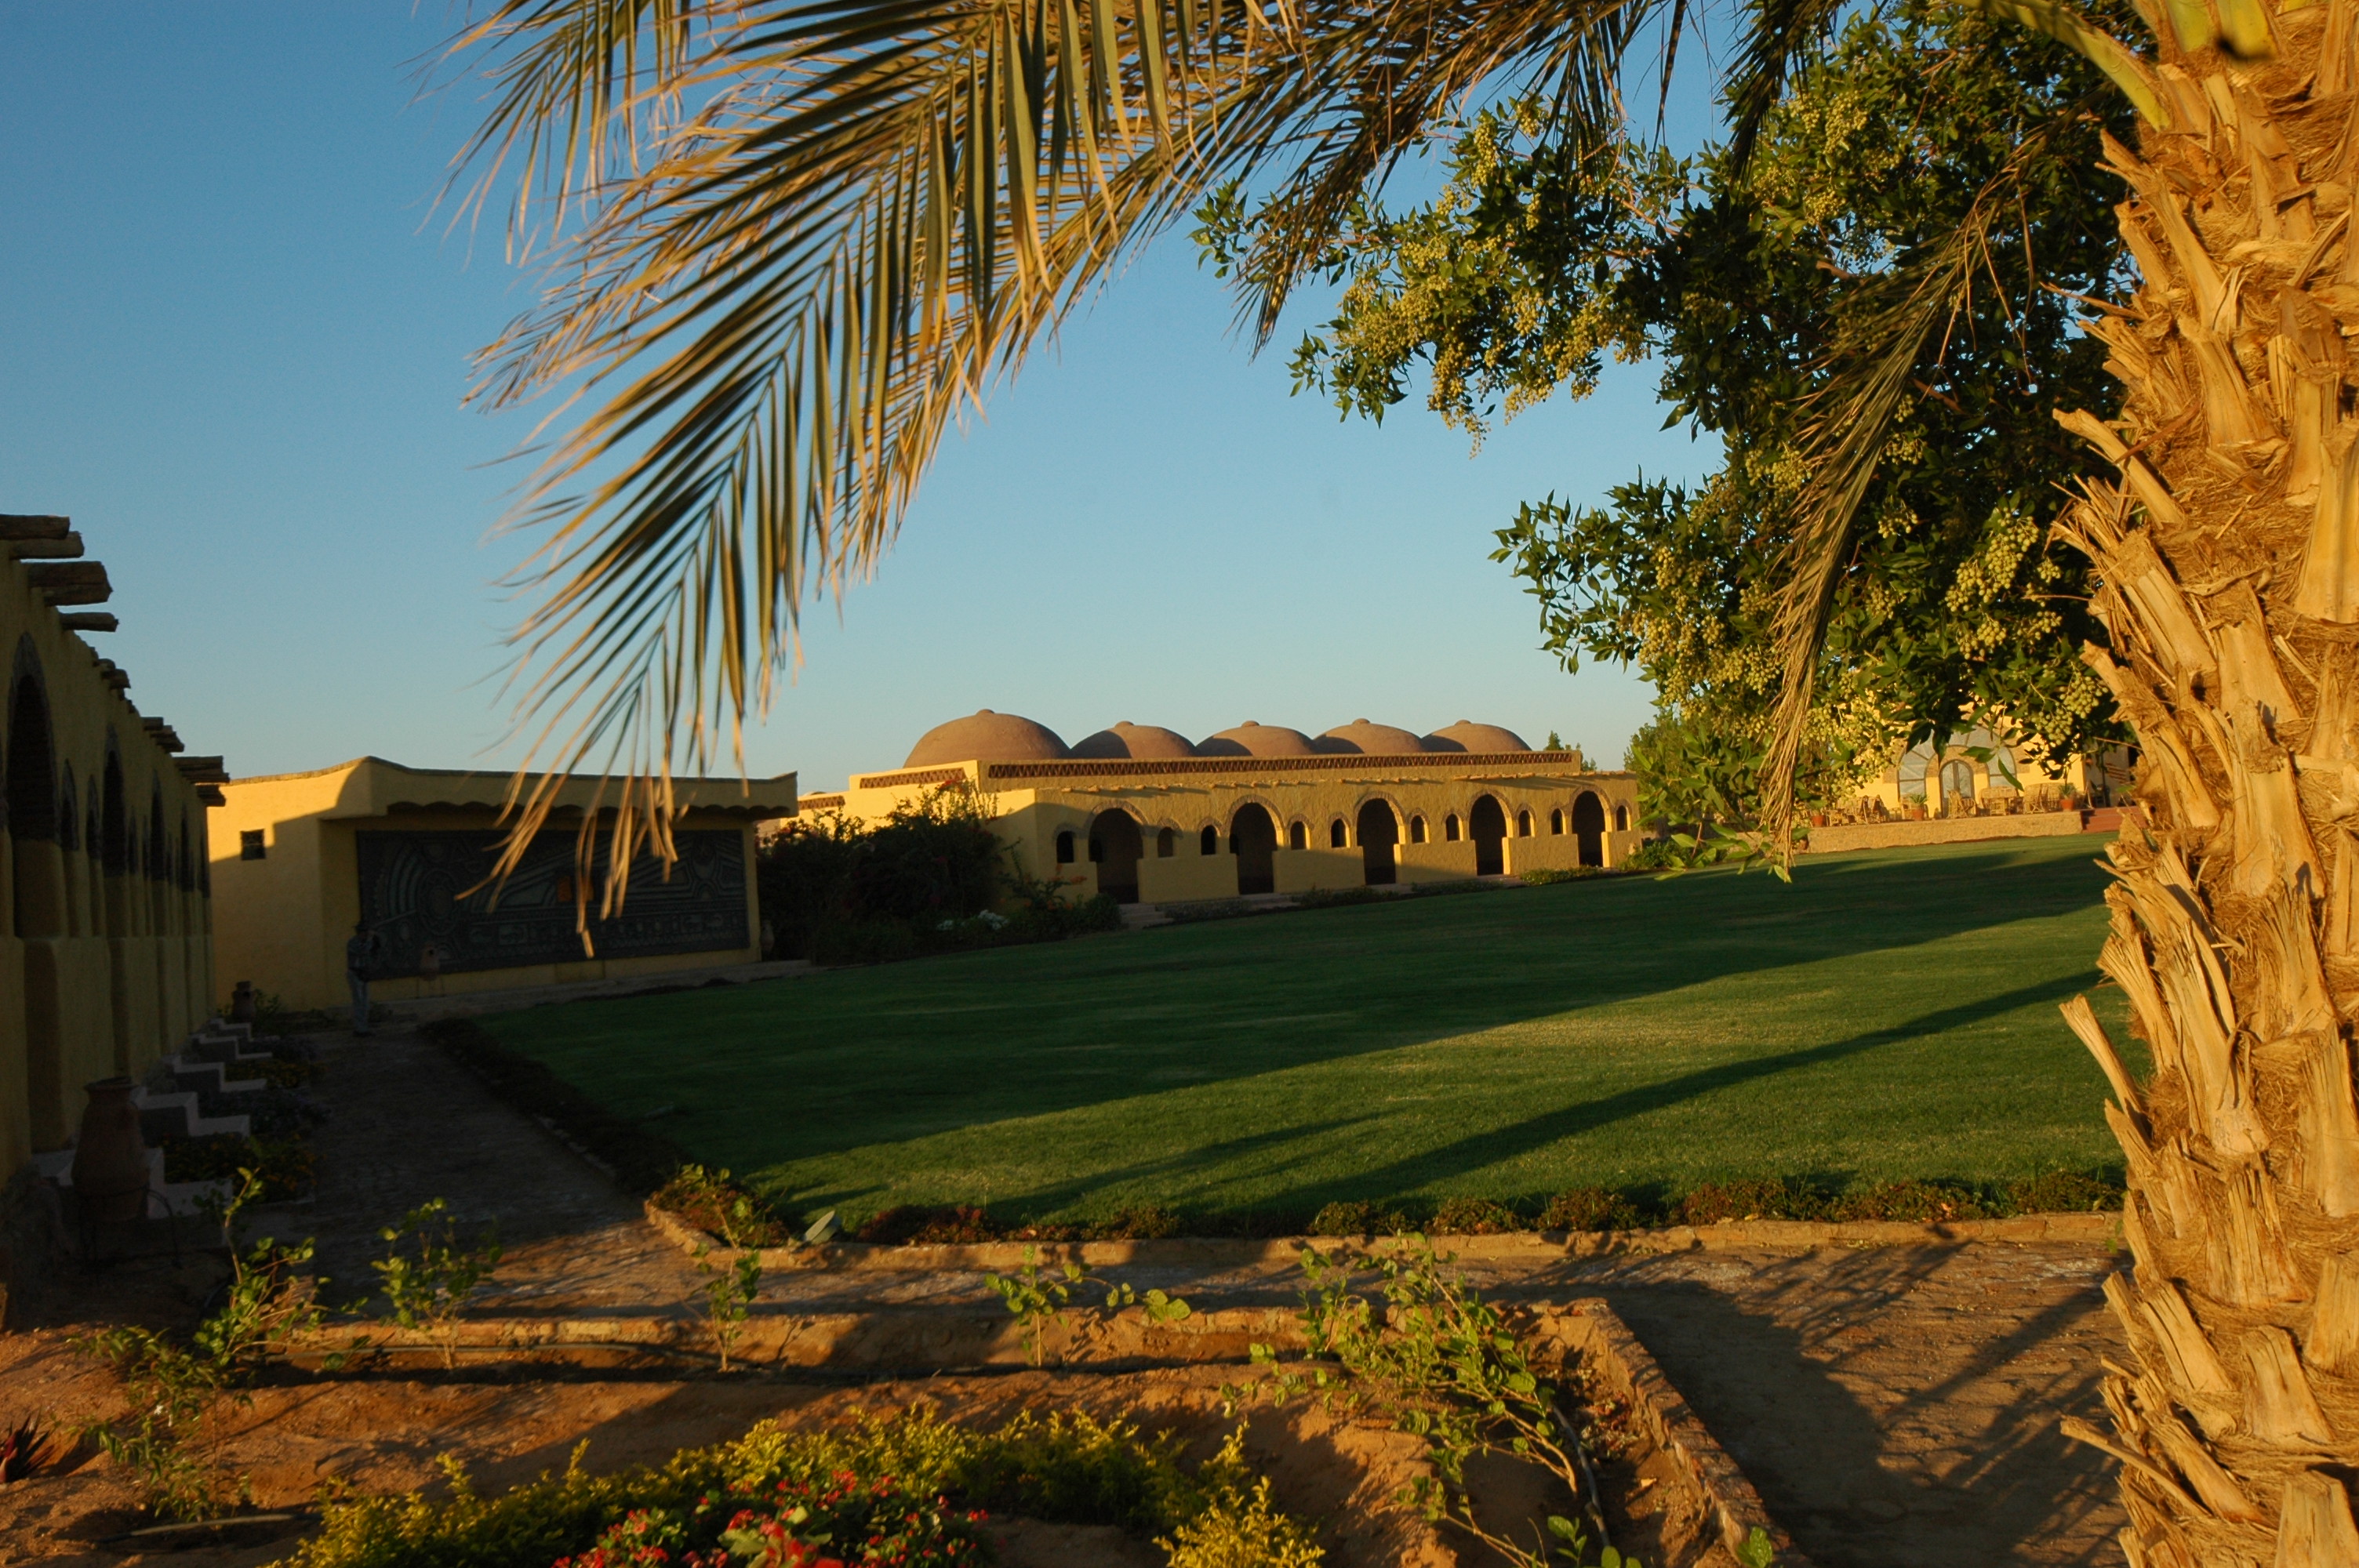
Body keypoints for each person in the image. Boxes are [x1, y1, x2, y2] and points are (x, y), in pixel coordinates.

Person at [346, 922, 382, 1036]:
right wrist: (370, 939)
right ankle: (359, 1029)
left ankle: (363, 1027)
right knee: (359, 1002)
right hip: (355, 973)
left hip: (364, 974)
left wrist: (375, 938)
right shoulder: (353, 943)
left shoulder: (368, 942)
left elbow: (377, 948)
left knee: (365, 1003)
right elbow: (363, 951)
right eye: (365, 933)